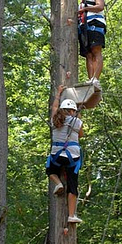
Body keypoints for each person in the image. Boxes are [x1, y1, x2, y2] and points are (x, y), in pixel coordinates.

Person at [46, 85, 84, 223]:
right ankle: (71, 215)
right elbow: (81, 135)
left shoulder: (55, 120)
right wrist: (77, 117)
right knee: (73, 185)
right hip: (72, 157)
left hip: (57, 155)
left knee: (50, 170)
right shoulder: (77, 121)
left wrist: (58, 93)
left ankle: (58, 183)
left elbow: (54, 108)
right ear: (73, 111)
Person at [78, 0, 106, 88]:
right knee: (88, 54)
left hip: (95, 25)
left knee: (96, 51)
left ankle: (95, 79)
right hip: (84, 27)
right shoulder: (83, 0)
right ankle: (90, 80)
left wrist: (85, 10)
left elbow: (100, 6)